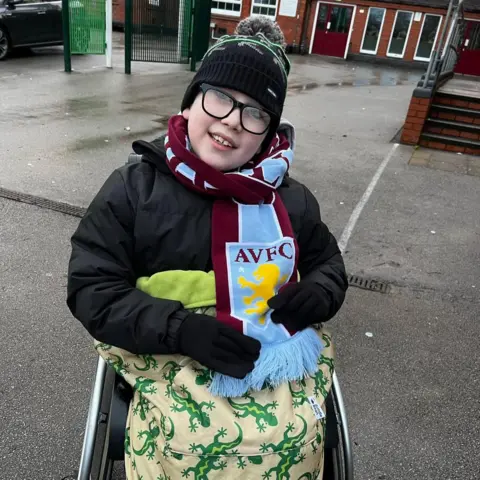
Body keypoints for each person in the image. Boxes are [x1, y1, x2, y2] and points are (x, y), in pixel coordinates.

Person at [67, 15, 348, 480]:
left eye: (255, 112)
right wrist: (180, 329)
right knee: (190, 442)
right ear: (193, 99)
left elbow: (328, 263)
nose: (232, 123)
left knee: (295, 437)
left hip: (268, 356)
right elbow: (91, 287)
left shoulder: (291, 201)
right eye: (220, 98)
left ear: (269, 132)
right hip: (167, 355)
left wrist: (320, 290)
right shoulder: (132, 189)